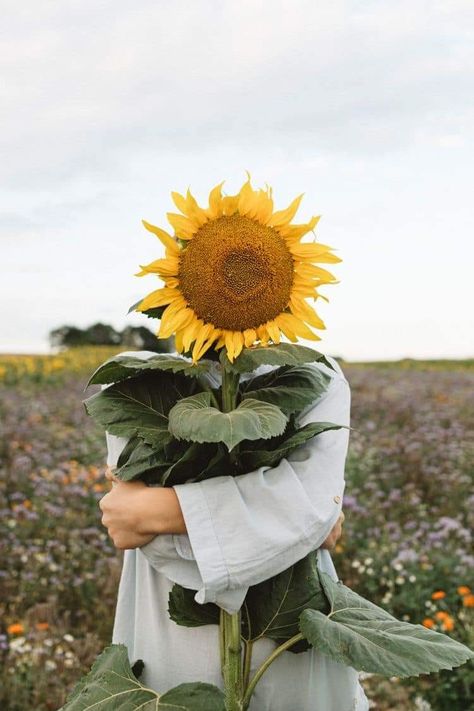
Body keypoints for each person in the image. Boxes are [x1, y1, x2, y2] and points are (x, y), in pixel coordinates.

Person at [99, 350, 369, 710]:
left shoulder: (315, 374)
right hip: (170, 633)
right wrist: (297, 523)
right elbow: (151, 540)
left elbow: (137, 519)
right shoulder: (131, 374)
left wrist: (163, 509)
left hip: (290, 644)